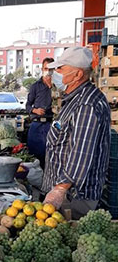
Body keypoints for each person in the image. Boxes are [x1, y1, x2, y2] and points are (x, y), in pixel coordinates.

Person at [42, 46, 110, 217]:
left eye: (60, 68)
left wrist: (60, 189)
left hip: (74, 196)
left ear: (78, 74)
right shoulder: (75, 99)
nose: (55, 73)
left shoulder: (86, 104)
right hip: (66, 192)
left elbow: (81, 152)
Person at [26, 57, 54, 169]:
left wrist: (51, 86)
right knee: (36, 156)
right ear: (42, 69)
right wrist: (35, 110)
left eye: (50, 69)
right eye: (46, 68)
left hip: (51, 125)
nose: (48, 71)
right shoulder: (35, 86)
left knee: (51, 155)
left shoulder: (59, 86)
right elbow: (27, 105)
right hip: (37, 125)